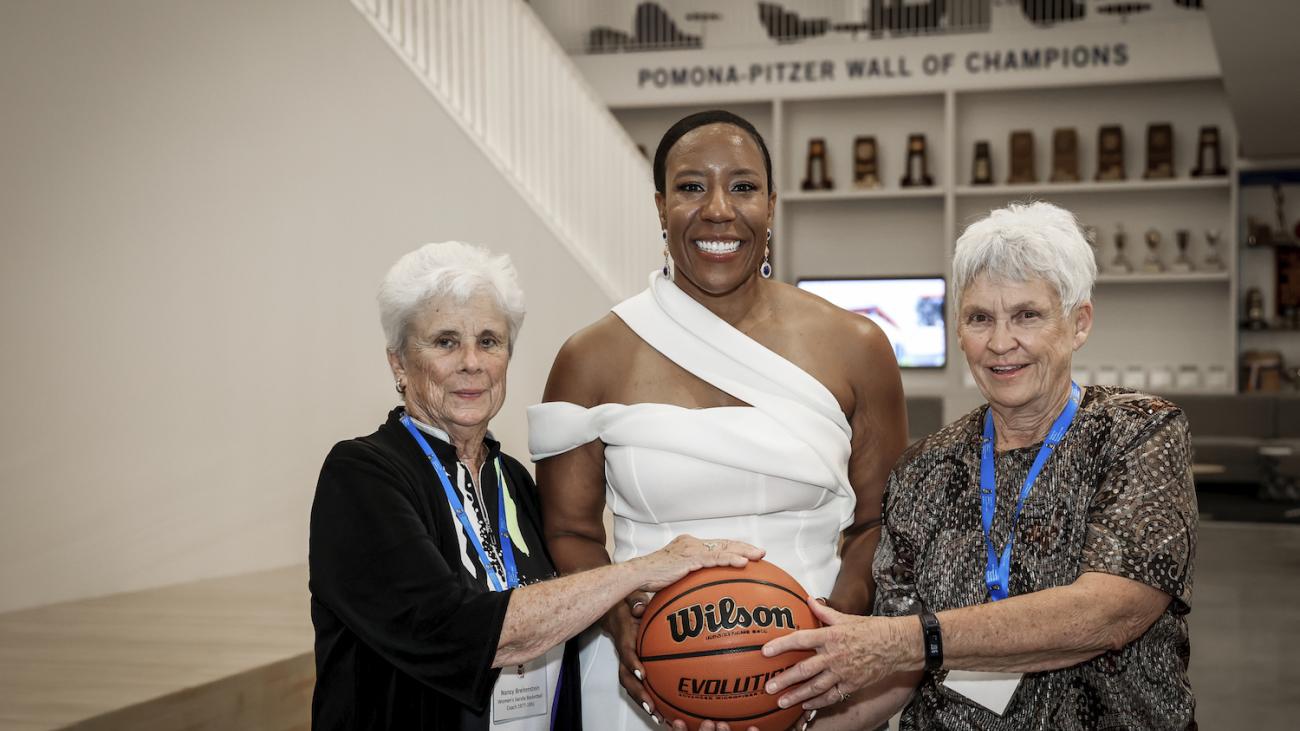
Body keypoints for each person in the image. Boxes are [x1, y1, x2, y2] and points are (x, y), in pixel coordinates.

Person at [528, 109, 908, 730]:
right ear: (660, 206)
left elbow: (878, 522)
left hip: (816, 681)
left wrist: (833, 645)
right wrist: (622, 619)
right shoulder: (589, 357)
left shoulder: (856, 346)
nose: (718, 210)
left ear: (772, 203)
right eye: (691, 187)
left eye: (742, 186)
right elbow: (569, 532)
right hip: (646, 682)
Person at [763, 201, 1198, 730]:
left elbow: (1108, 613)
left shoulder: (1135, 434)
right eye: (980, 318)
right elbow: (891, 676)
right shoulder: (925, 470)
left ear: (1078, 322)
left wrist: (910, 641)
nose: (999, 343)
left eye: (1027, 315)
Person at [308, 240, 764, 730]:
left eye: (489, 341)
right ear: (399, 363)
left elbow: (566, 614)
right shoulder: (361, 476)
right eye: (444, 342)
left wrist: (692, 678)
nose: (471, 362)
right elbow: (459, 631)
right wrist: (643, 568)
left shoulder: (515, 481)